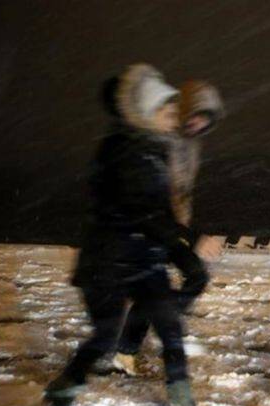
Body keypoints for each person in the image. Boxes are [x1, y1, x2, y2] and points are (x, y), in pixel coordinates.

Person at [43, 64, 220, 406]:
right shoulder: (122, 151)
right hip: (109, 261)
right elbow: (143, 213)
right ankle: (62, 392)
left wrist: (184, 247)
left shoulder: (154, 151)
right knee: (105, 337)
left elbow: (161, 213)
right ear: (147, 113)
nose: (176, 116)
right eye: (168, 110)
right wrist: (188, 246)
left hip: (145, 259)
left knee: (170, 328)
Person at [113, 79, 225, 376]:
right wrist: (194, 236)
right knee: (179, 282)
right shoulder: (161, 143)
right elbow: (153, 201)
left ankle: (142, 339)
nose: (199, 123)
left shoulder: (190, 145)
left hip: (173, 227)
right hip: (155, 228)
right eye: (196, 114)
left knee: (191, 278)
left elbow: (180, 194)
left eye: (207, 119)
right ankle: (144, 341)